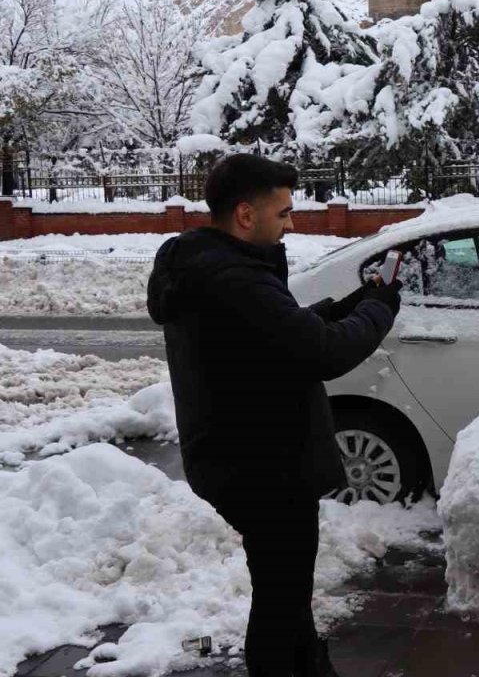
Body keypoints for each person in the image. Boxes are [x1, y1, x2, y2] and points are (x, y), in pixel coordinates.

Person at [146, 154, 402, 677]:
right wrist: (380, 309)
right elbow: (322, 354)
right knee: (280, 602)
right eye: (283, 213)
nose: (292, 224)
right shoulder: (237, 278)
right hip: (263, 466)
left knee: (283, 591)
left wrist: (349, 303)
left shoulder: (204, 266)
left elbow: (270, 336)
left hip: (236, 456)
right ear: (245, 214)